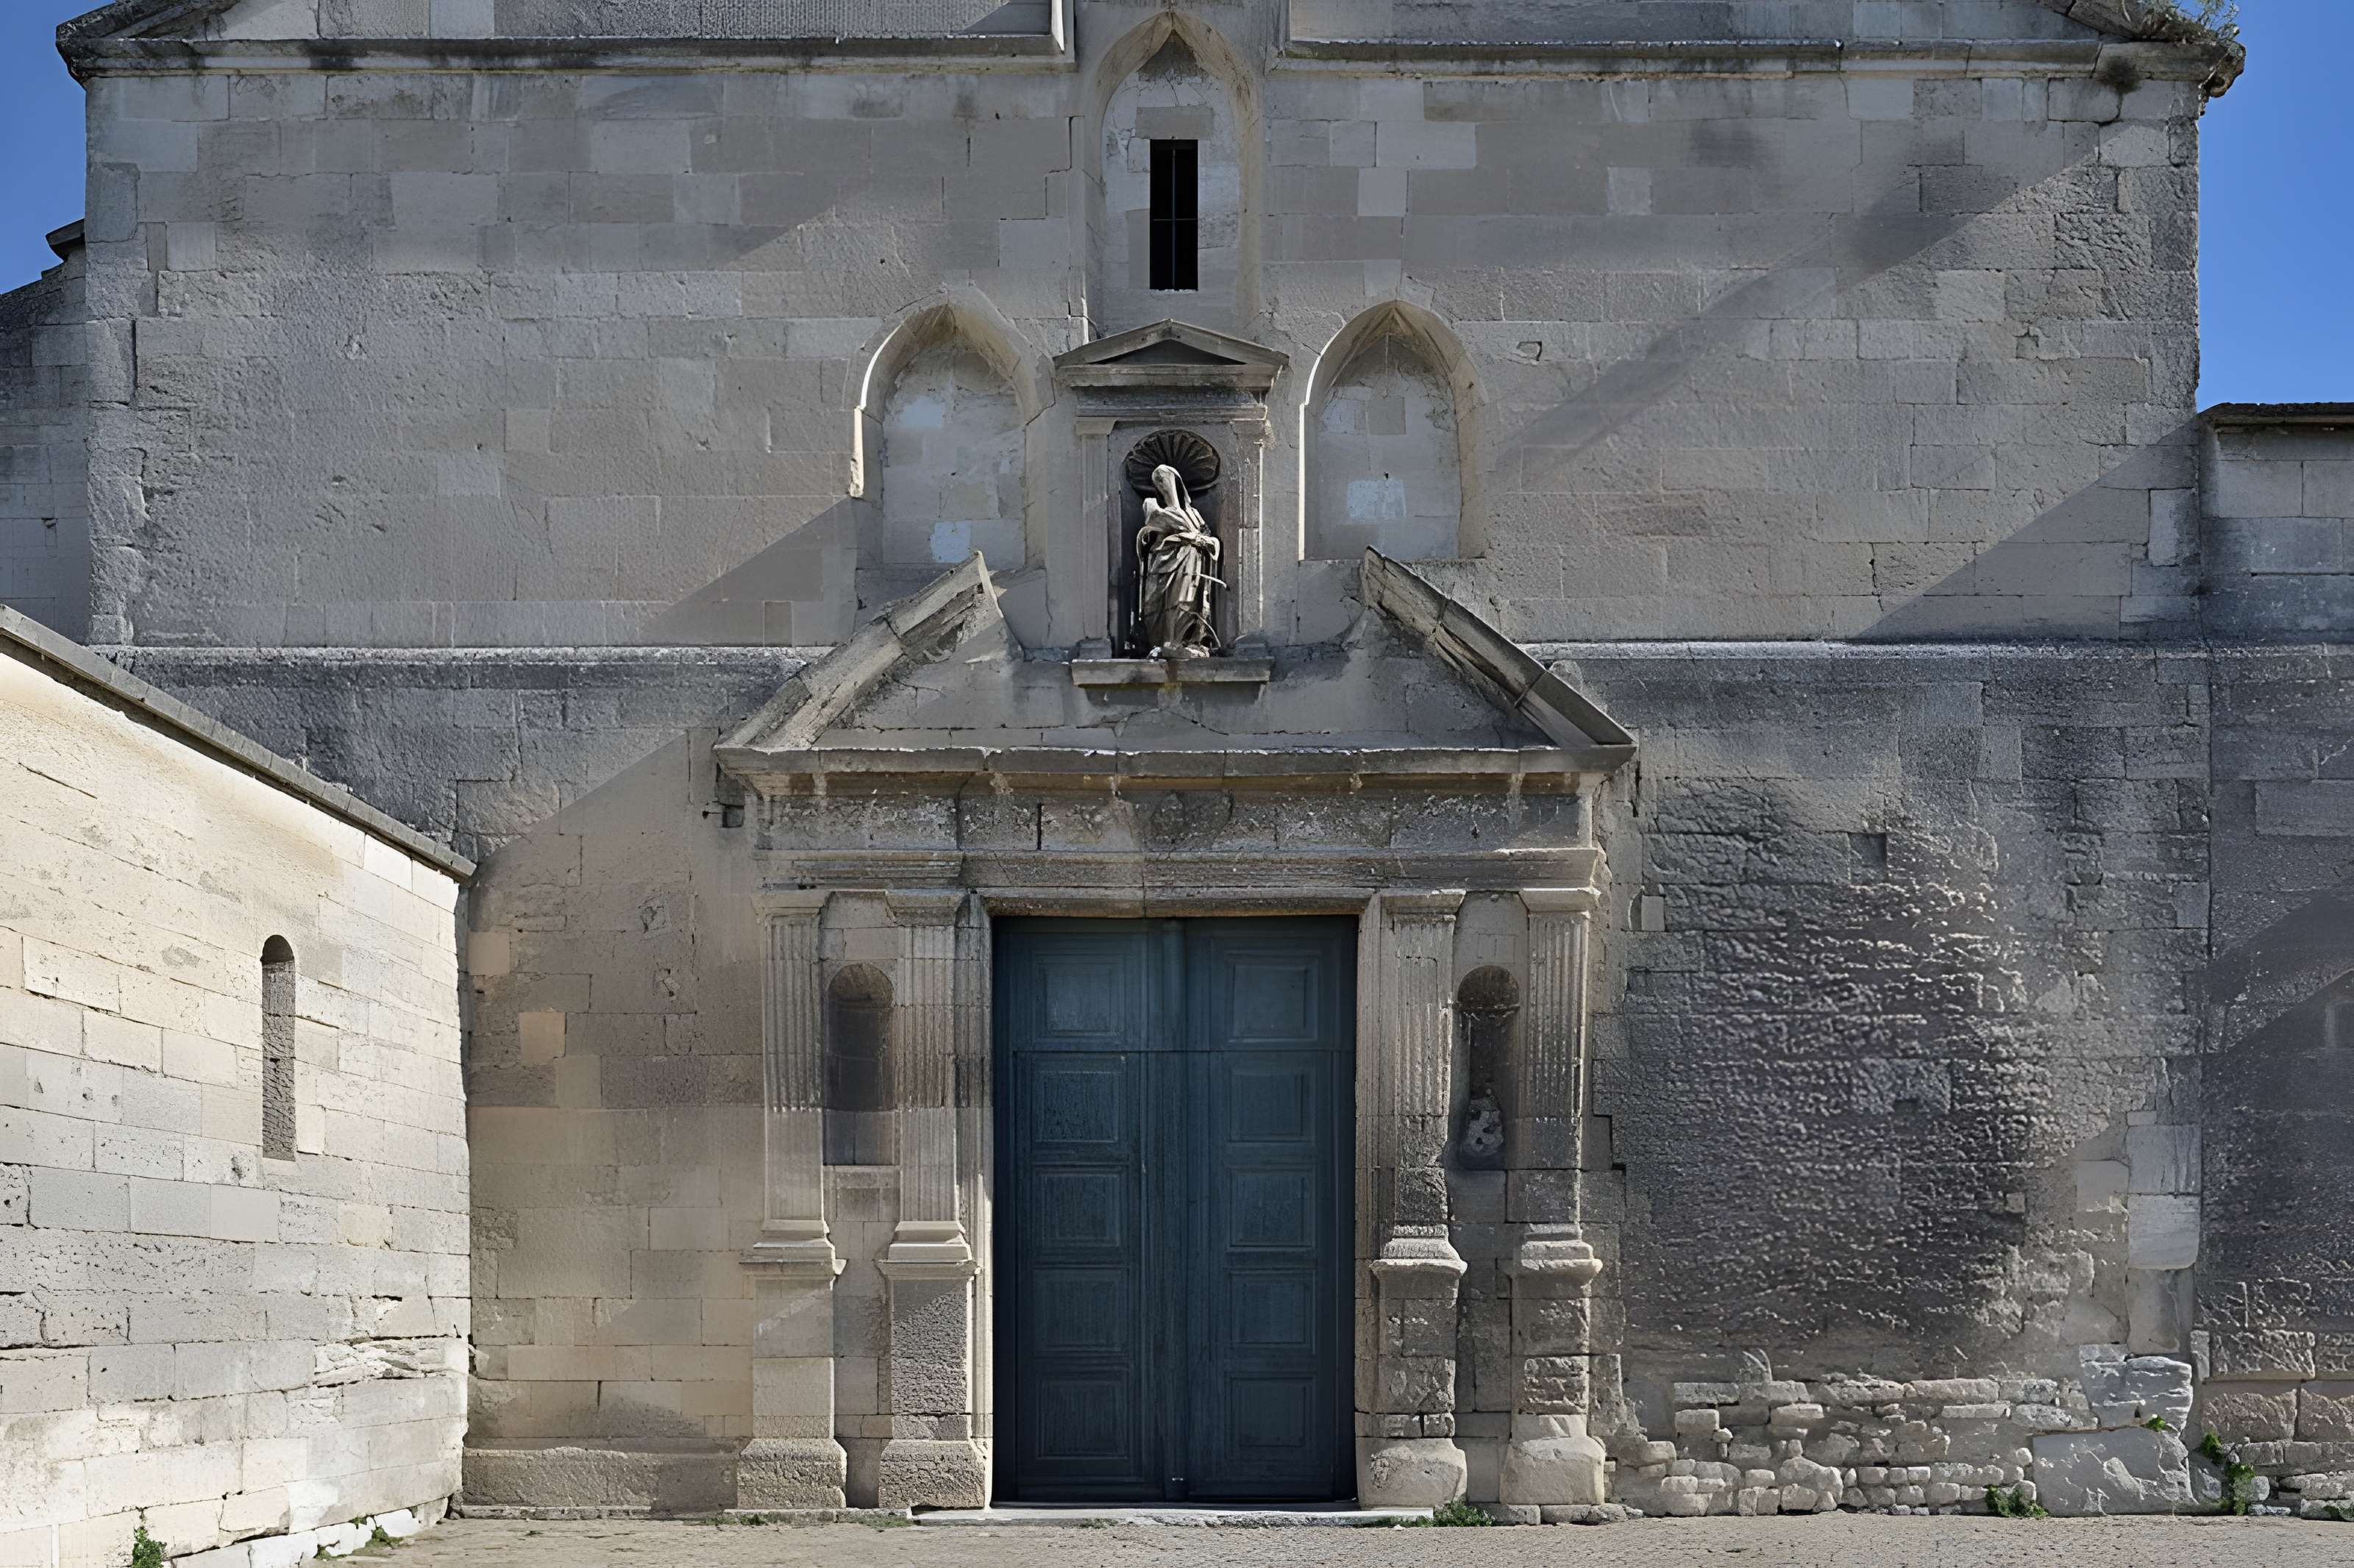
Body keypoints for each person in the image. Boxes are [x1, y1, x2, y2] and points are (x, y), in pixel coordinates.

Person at [1136, 463, 1222, 658]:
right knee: (1153, 605)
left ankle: (1181, 642)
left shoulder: (1194, 514)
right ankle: (1160, 642)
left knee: (1184, 600)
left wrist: (1196, 539)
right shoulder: (1151, 504)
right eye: (1158, 480)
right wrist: (1190, 535)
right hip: (1161, 564)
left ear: (1177, 483)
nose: (1163, 484)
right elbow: (1158, 520)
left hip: (1190, 564)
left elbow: (1209, 539)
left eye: (1166, 479)